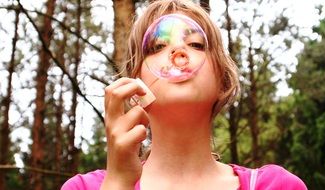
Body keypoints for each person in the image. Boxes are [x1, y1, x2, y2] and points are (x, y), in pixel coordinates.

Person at [61, 0, 307, 189]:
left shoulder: (275, 185)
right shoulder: (86, 187)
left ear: (223, 81)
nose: (178, 50)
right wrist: (118, 183)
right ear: (135, 87)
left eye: (197, 44)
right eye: (157, 46)